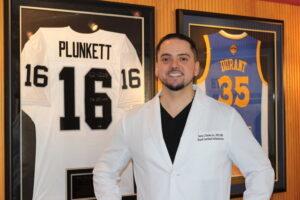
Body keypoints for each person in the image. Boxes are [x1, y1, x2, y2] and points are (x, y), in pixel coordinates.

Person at [93, 33, 275, 200]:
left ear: (196, 68)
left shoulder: (226, 118)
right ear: (156, 68)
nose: (174, 65)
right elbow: (104, 172)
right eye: (166, 59)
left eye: (183, 58)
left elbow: (261, 171)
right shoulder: (131, 120)